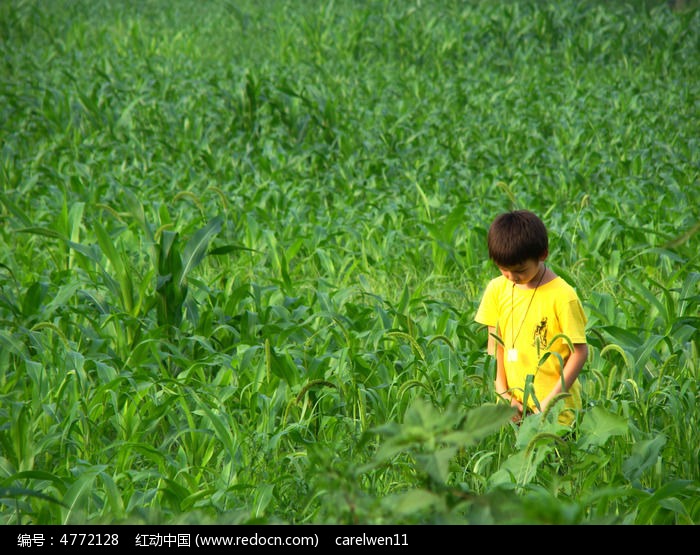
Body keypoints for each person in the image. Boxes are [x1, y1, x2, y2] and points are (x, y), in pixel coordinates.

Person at [474, 210, 588, 426]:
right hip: (513, 410)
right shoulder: (496, 289)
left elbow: (579, 352)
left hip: (558, 414)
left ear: (542, 254)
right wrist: (503, 393)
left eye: (520, 270)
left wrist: (550, 402)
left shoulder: (563, 297)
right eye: (503, 269)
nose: (512, 277)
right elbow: (495, 345)